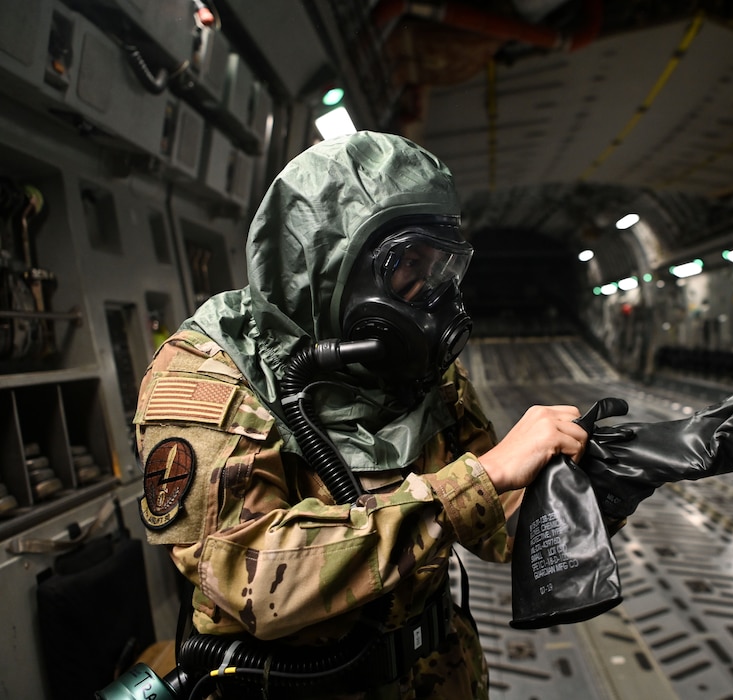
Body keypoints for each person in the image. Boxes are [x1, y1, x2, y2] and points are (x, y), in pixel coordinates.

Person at [134, 131, 588, 699]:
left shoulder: (420, 367)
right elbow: (249, 575)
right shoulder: (206, 376)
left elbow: (504, 529)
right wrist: (482, 477)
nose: (434, 297)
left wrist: (605, 477)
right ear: (330, 269)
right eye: (409, 270)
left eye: (442, 270)